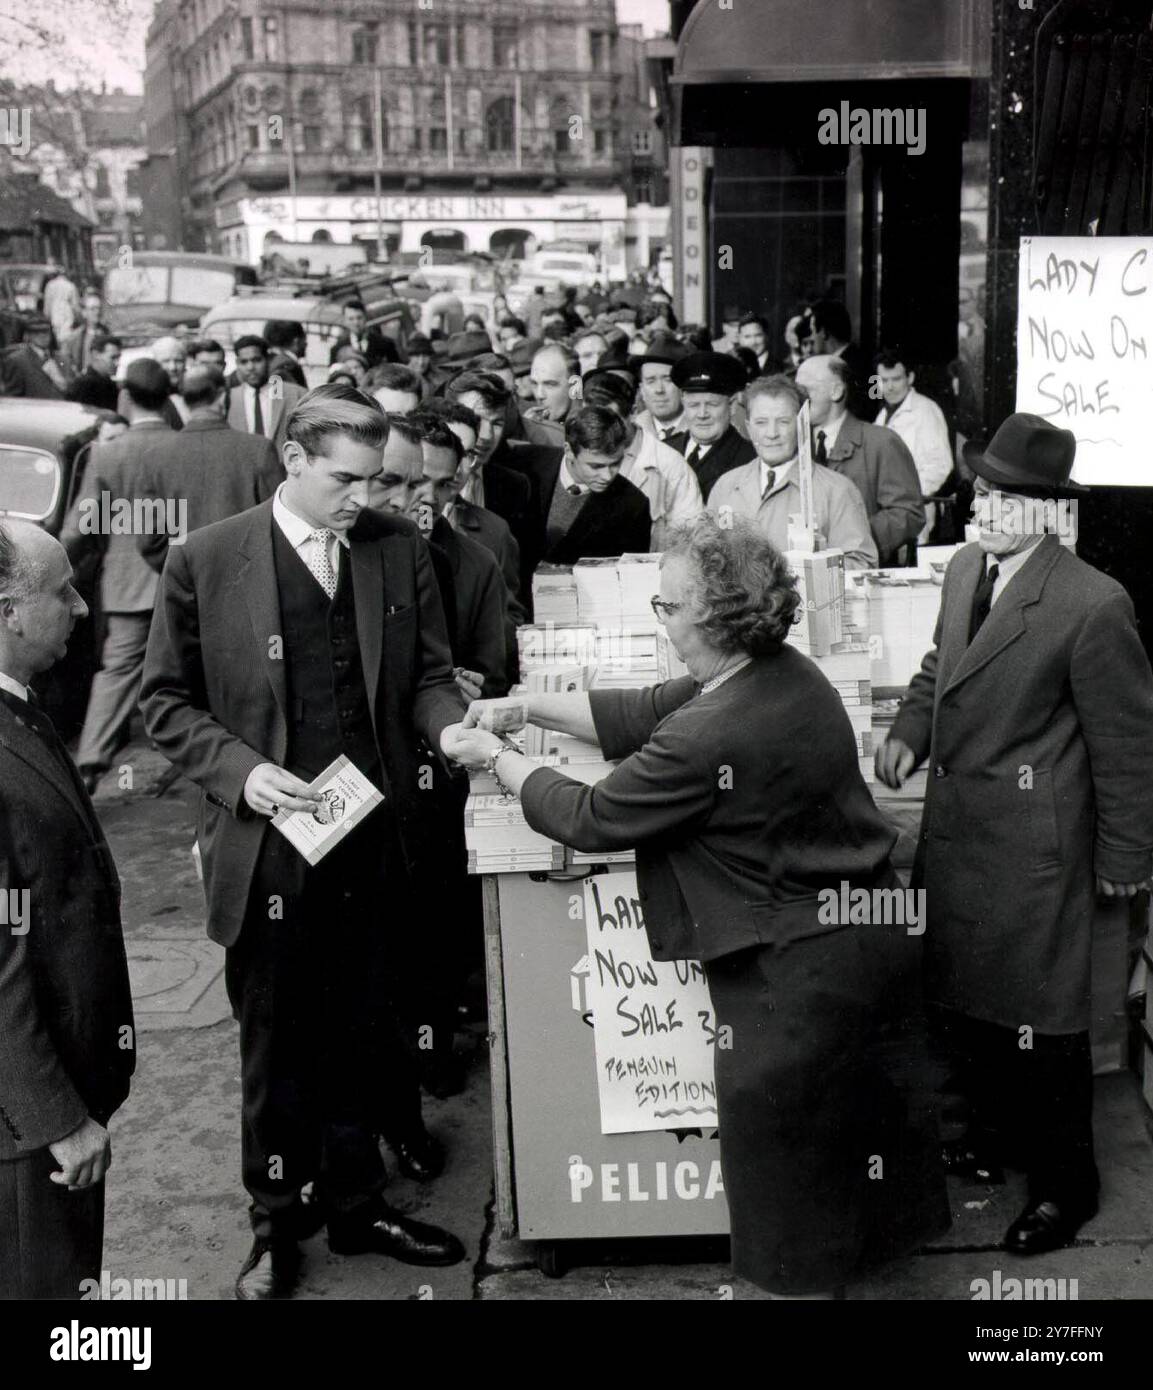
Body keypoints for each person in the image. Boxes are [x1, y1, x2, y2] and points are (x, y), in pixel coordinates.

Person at [445, 513, 949, 1297]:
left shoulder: (712, 732)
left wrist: (497, 757)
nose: (660, 617)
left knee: (786, 1188)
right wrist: (529, 707)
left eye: (668, 606)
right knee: (845, 1161)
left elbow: (591, 816)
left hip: (793, 980)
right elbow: (644, 708)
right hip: (852, 944)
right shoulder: (778, 669)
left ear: (712, 617)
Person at [139, 385, 467, 1300]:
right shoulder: (206, 559)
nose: (364, 499)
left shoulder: (397, 548)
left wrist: (453, 732)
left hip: (374, 837)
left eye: (375, 480)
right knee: (278, 1046)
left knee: (369, 1029)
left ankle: (358, 1207)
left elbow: (430, 679)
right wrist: (242, 771)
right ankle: (277, 1225)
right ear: (292, 459)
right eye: (344, 481)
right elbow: (164, 703)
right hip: (268, 843)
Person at [875, 412, 1153, 1256]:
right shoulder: (964, 567)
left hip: (1035, 855)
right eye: (981, 487)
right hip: (960, 836)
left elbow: (1127, 745)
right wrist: (908, 732)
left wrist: (1124, 861)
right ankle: (994, 1141)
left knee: (1046, 1029)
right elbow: (939, 669)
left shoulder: (1091, 603)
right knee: (970, 1008)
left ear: (1048, 512)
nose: (979, 504)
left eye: (1002, 495)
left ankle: (1066, 1190)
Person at [0, 520, 134, 1300]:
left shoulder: (20, 706)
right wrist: (55, 1117)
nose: (82, 610)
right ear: (9, 610)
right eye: (63, 592)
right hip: (24, 1130)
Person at [61, 359, 176, 794]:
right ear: (167, 399)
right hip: (182, 581)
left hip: (127, 584)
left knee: (116, 672)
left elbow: (81, 526)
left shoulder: (109, 453)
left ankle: (90, 765)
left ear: (125, 397)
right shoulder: (182, 447)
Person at [707, 375, 878, 569]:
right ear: (749, 428)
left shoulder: (837, 490)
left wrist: (797, 571)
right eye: (761, 422)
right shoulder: (726, 486)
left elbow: (861, 564)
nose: (772, 434)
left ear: (801, 425)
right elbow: (706, 558)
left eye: (783, 422)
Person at [135, 367, 283, 573]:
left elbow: (148, 538)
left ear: (185, 403)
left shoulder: (154, 457)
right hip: (248, 578)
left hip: (184, 581)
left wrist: (181, 566)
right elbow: (280, 523)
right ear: (223, 397)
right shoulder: (259, 449)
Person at [796, 355, 924, 567]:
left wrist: (854, 537)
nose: (798, 401)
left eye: (805, 392)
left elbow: (908, 514)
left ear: (836, 391)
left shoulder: (881, 442)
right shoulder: (795, 445)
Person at [582, 368, 704, 552]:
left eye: (610, 421)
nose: (599, 430)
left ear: (632, 412)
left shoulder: (670, 465)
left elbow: (691, 542)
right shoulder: (575, 456)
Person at [529, 404, 651, 566]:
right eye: (596, 466)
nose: (607, 476)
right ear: (569, 451)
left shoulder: (634, 504)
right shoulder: (526, 464)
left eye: (615, 464)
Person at [873, 348, 955, 540]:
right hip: (887, 511)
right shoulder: (884, 413)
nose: (890, 387)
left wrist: (909, 496)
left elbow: (940, 465)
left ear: (910, 378)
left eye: (896, 379)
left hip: (914, 511)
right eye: (884, 380)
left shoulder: (925, 410)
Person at [666, 352, 756, 501]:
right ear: (683, 403)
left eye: (712, 404)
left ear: (732, 405)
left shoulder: (750, 459)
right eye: (693, 405)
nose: (702, 414)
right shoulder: (665, 449)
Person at [227, 335, 307, 451]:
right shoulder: (229, 398)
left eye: (256, 360)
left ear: (268, 359)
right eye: (244, 362)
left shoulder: (295, 394)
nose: (250, 367)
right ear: (237, 364)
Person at [806, 301, 872, 418]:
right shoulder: (856, 359)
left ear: (824, 332)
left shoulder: (856, 367)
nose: (811, 337)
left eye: (812, 331)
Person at [634, 336, 689, 442]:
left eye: (668, 380)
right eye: (651, 381)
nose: (659, 390)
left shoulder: (701, 428)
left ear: (683, 387)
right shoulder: (634, 431)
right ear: (642, 390)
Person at [0, 315, 67, 398]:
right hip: (33, 409)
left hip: (62, 408)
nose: (42, 335)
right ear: (29, 335)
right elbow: (13, 397)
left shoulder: (62, 359)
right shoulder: (17, 360)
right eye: (36, 332)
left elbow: (71, 389)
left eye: (46, 331)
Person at [328, 298, 398, 368]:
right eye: (351, 319)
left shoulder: (386, 344)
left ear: (366, 317)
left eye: (359, 318)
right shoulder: (337, 349)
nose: (356, 323)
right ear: (344, 320)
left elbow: (397, 372)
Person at [65, 334, 122, 413]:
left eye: (118, 357)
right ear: (96, 354)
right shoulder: (83, 386)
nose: (117, 363)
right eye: (113, 357)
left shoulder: (110, 385)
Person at [61, 287, 108, 378]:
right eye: (92, 309)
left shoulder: (107, 334)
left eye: (99, 308)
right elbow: (66, 362)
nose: (97, 312)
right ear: (84, 312)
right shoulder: (73, 338)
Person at [263, 320, 309, 388]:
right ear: (296, 341)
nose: (306, 344)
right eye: (304, 340)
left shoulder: (266, 361)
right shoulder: (287, 366)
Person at [43, 267, 80, 344]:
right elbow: (75, 304)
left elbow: (47, 302)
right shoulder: (70, 285)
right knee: (66, 333)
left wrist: (46, 315)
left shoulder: (50, 285)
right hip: (66, 310)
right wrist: (77, 316)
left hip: (55, 309)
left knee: (56, 331)